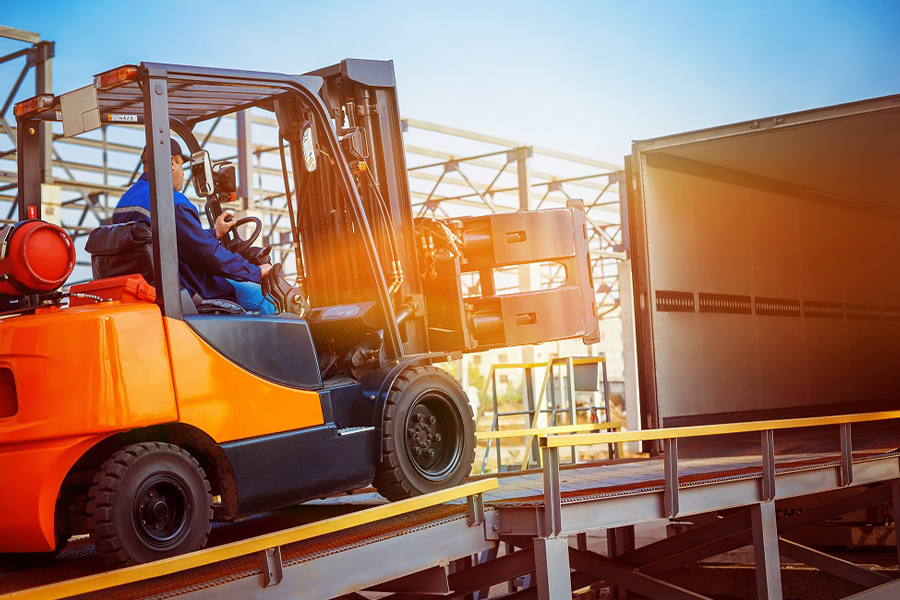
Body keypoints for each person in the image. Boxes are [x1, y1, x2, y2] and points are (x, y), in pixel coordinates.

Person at [113, 138, 275, 313]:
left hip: (149, 291)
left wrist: (215, 233)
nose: (183, 174)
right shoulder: (171, 201)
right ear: (171, 163)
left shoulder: (125, 201)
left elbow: (174, 240)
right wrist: (254, 271)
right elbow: (209, 255)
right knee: (265, 297)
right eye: (183, 165)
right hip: (188, 290)